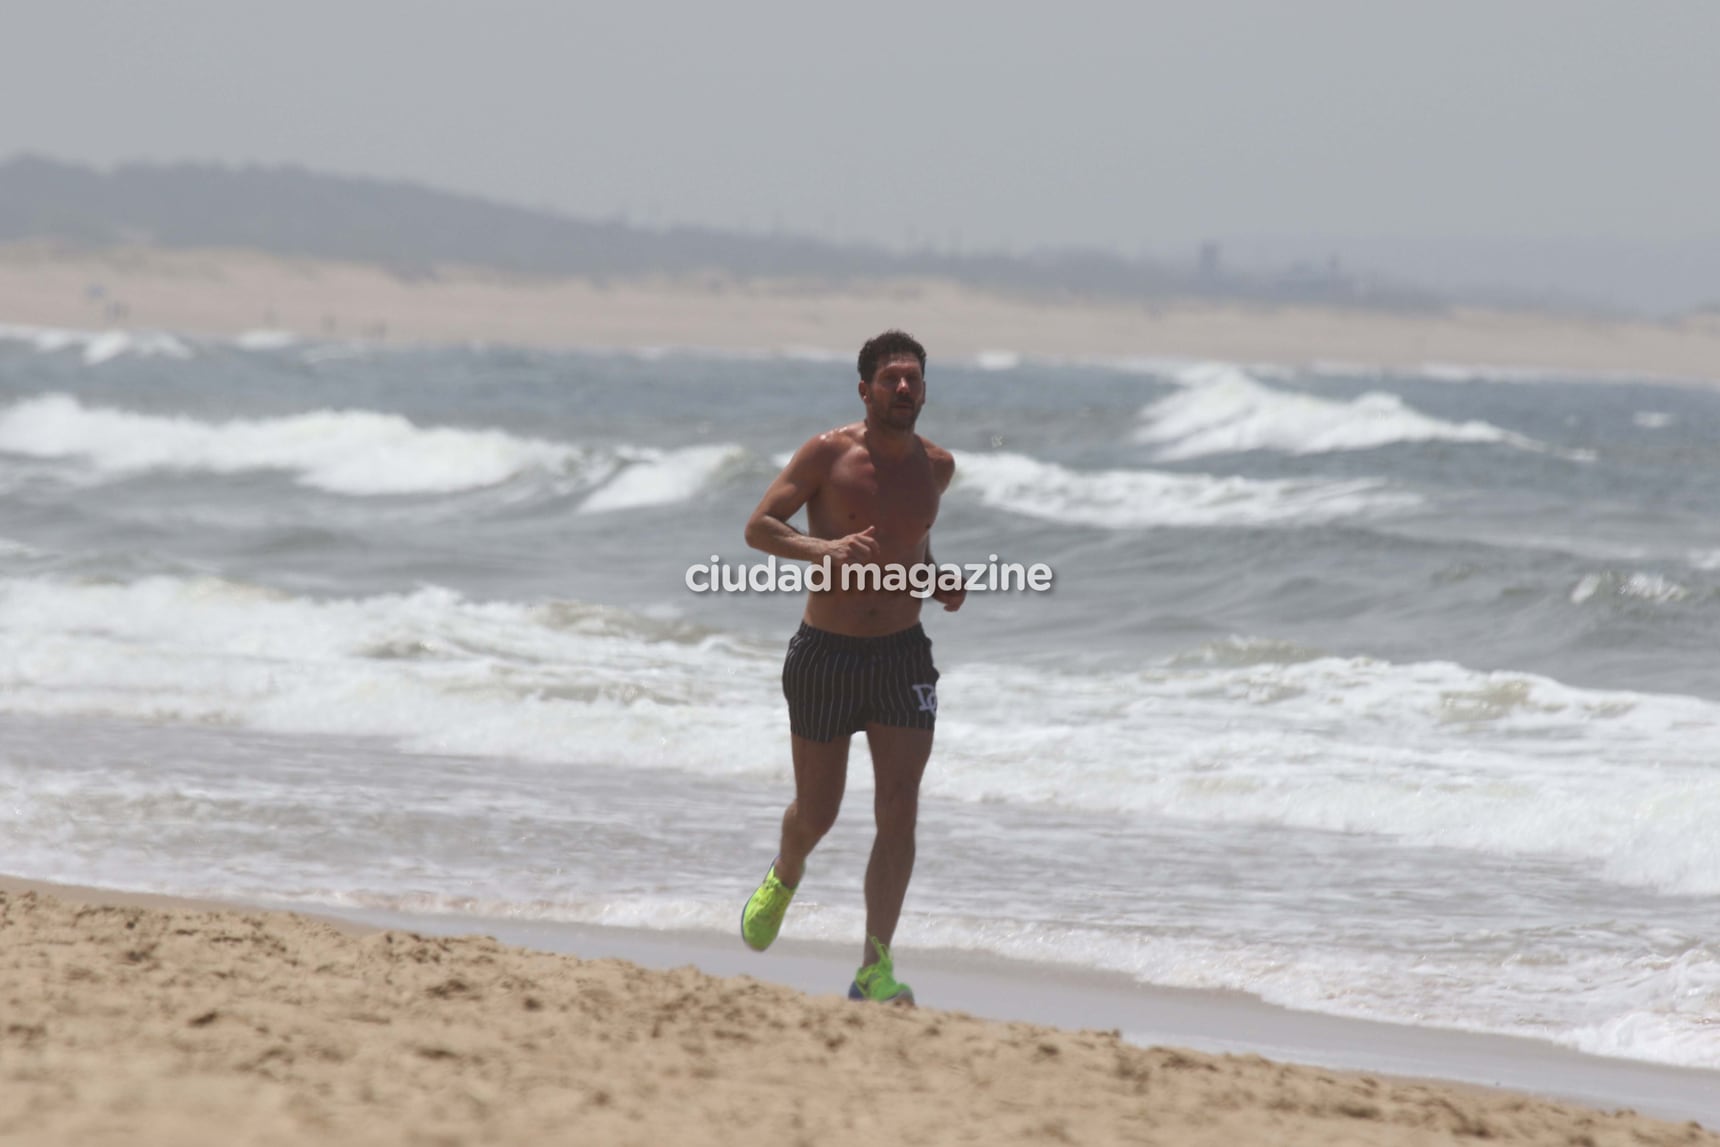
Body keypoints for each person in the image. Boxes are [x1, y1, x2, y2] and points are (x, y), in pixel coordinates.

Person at [738, 329, 965, 1005]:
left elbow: (912, 552)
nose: (904, 389)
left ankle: (874, 968)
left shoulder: (938, 467)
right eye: (891, 379)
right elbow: (759, 527)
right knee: (819, 811)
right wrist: (823, 548)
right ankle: (786, 869)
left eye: (914, 379)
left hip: (902, 654)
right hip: (826, 654)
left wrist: (936, 580)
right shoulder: (827, 453)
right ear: (864, 390)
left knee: (899, 811)